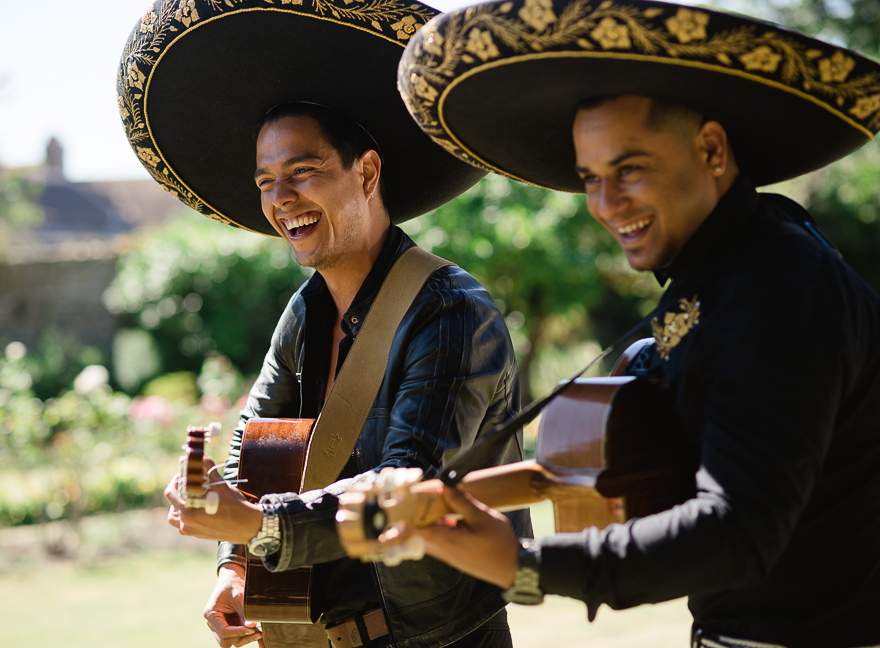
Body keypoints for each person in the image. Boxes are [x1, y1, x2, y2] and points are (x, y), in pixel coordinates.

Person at [386, 2, 880, 647]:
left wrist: (524, 566)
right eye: (591, 178)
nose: (606, 204)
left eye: (630, 169)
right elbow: (586, 464)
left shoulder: (777, 288)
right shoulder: (722, 275)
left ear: (711, 149)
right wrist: (434, 503)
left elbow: (736, 535)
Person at [115, 1, 530, 647]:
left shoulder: (452, 311)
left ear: (365, 172)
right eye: (266, 181)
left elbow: (409, 483)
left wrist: (256, 524)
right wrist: (234, 563)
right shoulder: (304, 314)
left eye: (302, 172)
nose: (280, 199)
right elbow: (256, 438)